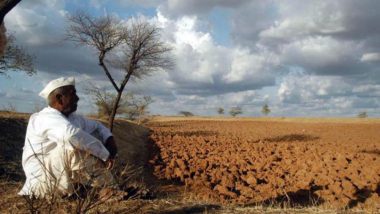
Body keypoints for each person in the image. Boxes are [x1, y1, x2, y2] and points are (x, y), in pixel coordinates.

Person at [18, 77, 118, 198]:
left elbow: (97, 126)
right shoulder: (44, 118)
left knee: (86, 140)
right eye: (73, 94)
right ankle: (108, 189)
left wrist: (109, 139)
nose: (77, 98)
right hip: (42, 183)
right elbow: (71, 136)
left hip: (59, 177)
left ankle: (108, 188)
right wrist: (105, 155)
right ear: (60, 98)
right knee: (73, 147)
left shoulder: (72, 118)